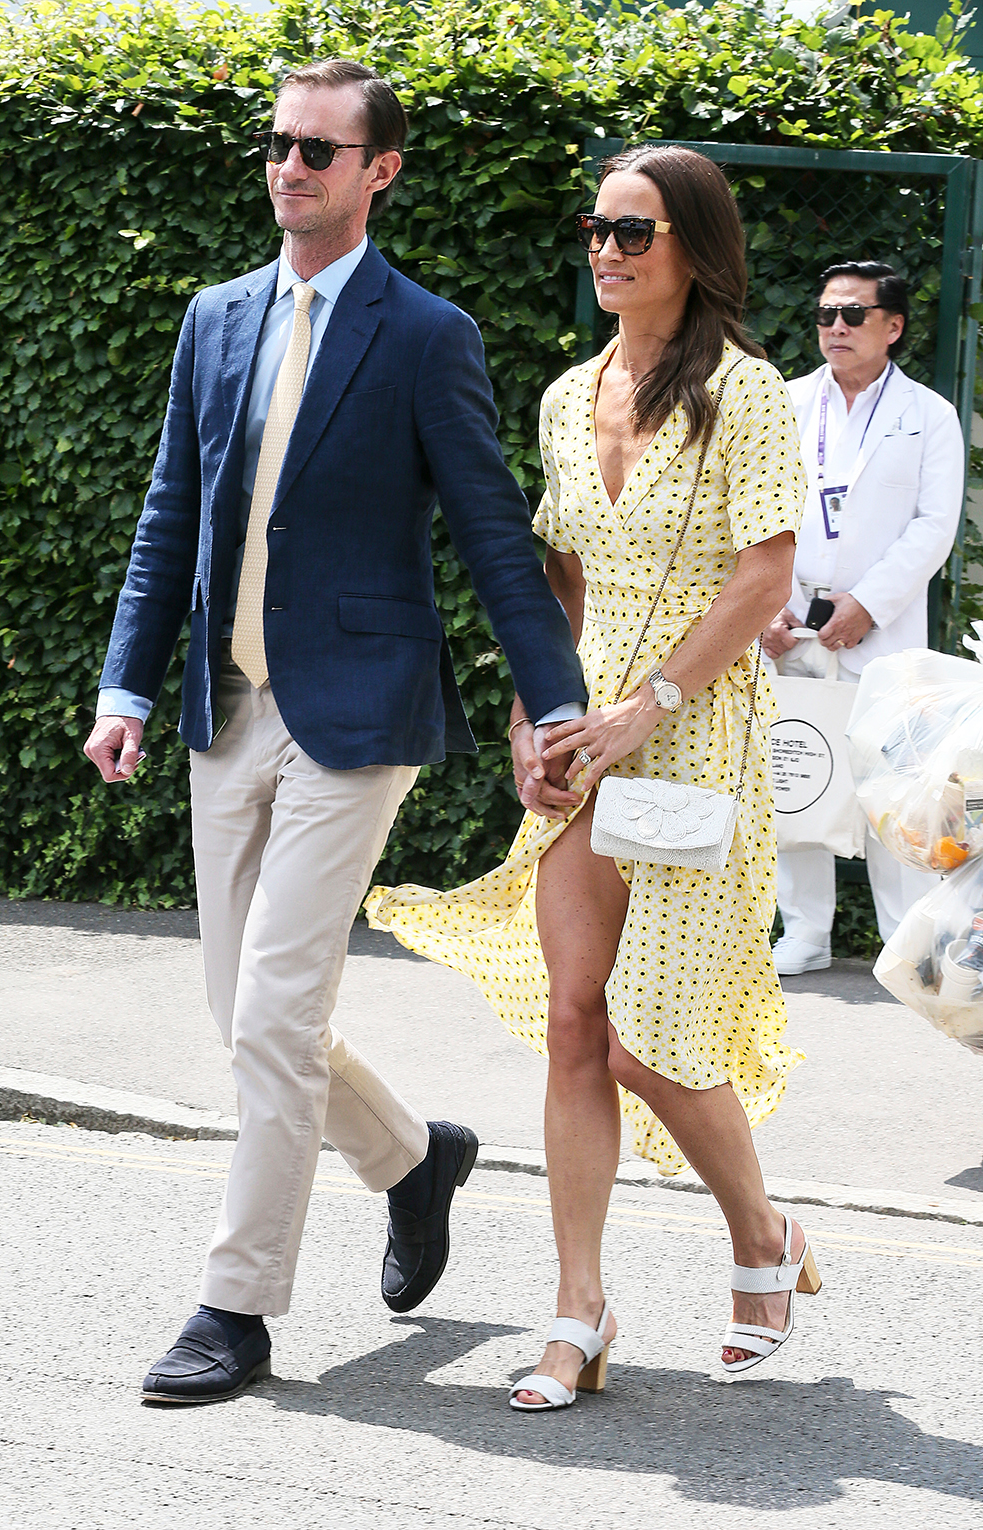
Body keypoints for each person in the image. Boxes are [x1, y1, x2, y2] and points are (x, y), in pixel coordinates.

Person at [82, 58, 586, 1406]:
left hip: (356, 717)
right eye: (279, 144)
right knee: (242, 1014)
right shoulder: (215, 318)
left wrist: (558, 697)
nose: (290, 165)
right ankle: (414, 1158)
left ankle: (236, 1307)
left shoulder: (427, 334)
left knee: (277, 1006)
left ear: (380, 171)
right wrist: (126, 687)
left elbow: (488, 532)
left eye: (320, 149)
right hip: (224, 707)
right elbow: (168, 516)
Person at [368, 144, 822, 1407]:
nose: (607, 252)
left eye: (635, 232)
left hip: (693, 725)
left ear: (693, 249)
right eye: (597, 228)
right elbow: (555, 580)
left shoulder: (750, 393)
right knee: (576, 1024)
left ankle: (761, 1234)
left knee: (651, 1037)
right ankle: (578, 1311)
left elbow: (762, 580)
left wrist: (648, 705)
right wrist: (534, 710)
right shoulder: (570, 394)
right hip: (583, 724)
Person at [764, 262, 965, 976]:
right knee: (796, 764)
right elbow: (752, 515)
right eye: (825, 315)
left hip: (882, 626)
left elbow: (933, 527)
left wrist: (868, 605)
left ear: (894, 326)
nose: (837, 327)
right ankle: (806, 933)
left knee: (893, 784)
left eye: (853, 314)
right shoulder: (783, 404)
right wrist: (767, 605)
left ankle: (903, 939)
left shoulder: (929, 416)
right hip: (787, 615)